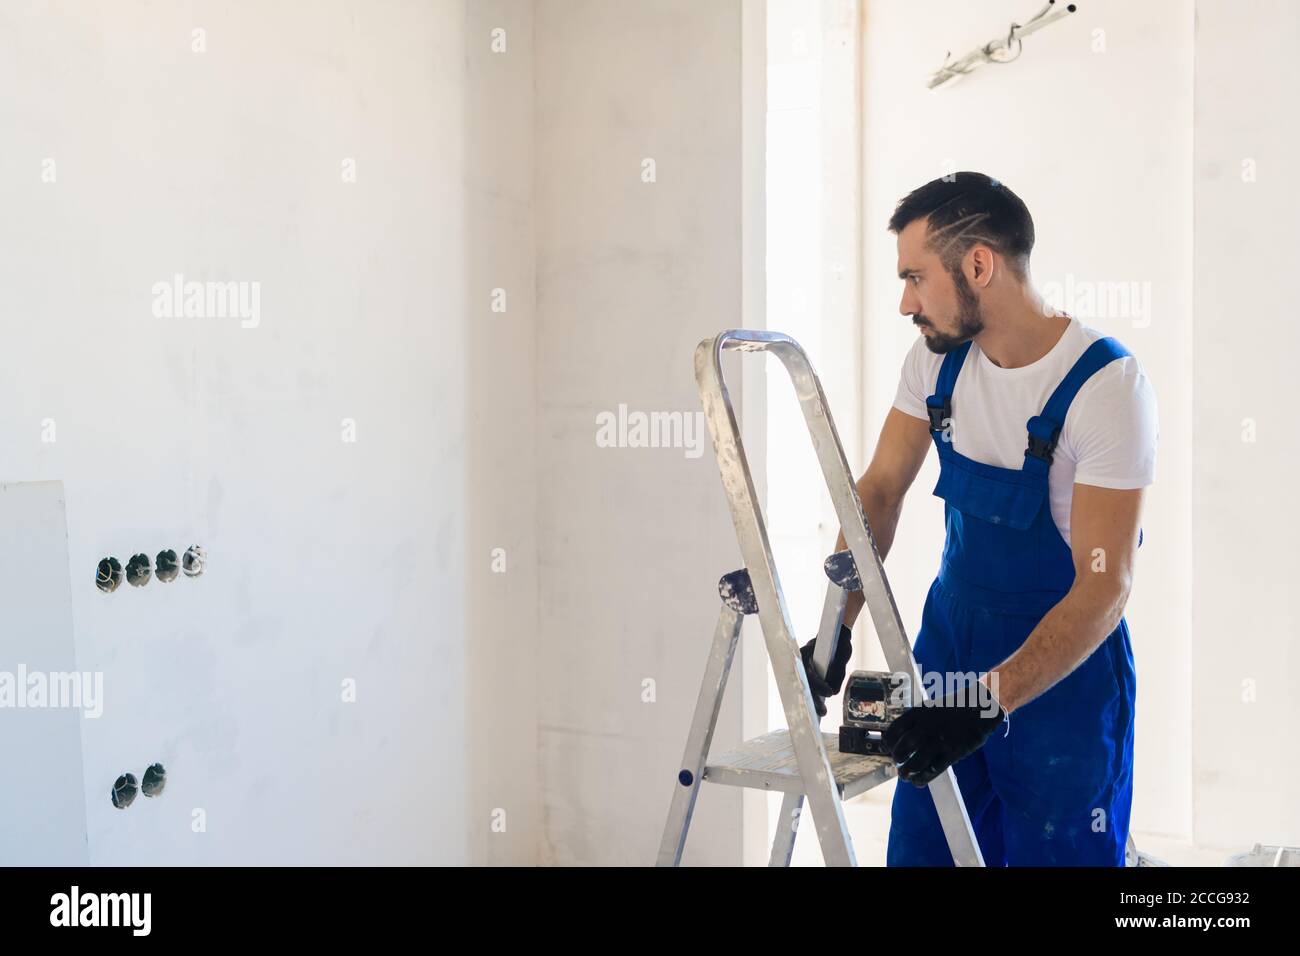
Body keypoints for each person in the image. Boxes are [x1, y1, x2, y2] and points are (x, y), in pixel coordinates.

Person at [803, 172, 1158, 866]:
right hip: (949, 652)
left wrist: (988, 703)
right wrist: (833, 625)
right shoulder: (936, 366)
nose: (906, 302)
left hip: (1063, 682)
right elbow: (877, 491)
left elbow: (1104, 587)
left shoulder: (1105, 387)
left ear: (978, 265)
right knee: (926, 852)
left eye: (916, 277)